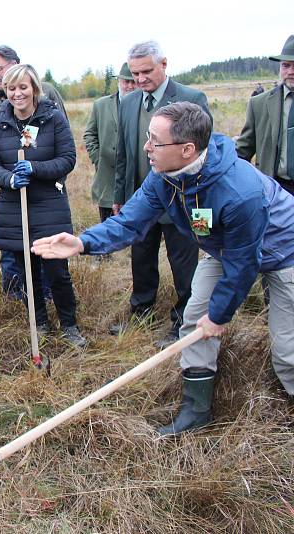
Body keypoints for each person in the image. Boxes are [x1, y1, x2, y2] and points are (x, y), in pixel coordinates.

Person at [33, 102, 294, 436]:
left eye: (155, 141)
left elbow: (244, 265)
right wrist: (83, 243)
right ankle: (196, 411)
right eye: (148, 137)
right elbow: (131, 220)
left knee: (286, 349)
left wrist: (220, 316)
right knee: (193, 320)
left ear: (187, 149)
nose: (146, 147)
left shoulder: (240, 192)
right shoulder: (165, 177)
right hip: (222, 247)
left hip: (282, 252)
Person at [112, 40, 210, 348]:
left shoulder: (190, 99)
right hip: (142, 201)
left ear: (164, 64)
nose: (140, 79)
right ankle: (141, 311)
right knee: (140, 258)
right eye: (135, 73)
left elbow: (204, 156)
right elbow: (124, 154)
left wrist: (202, 211)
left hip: (182, 202)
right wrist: (120, 196)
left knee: (184, 265)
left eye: (146, 72)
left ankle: (183, 321)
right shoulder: (128, 103)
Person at [0, 64, 85, 347]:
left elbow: (67, 159)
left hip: (48, 205)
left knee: (56, 271)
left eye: (23, 87)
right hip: (13, 208)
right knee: (26, 270)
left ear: (34, 88)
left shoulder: (52, 118)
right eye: (12, 88)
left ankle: (69, 325)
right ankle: (39, 321)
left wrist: (35, 168)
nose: (17, 94)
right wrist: (9, 179)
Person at [0, 45, 65, 302]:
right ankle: (17, 299)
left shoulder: (46, 91)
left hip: (45, 192)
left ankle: (49, 299)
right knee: (12, 250)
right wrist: (3, 182)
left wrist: (52, 181)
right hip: (11, 194)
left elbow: (62, 145)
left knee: (46, 252)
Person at [236, 35, 294, 196]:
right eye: (286, 66)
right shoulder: (259, 104)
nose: (290, 72)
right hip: (276, 190)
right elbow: (243, 150)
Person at [84, 63, 136, 224]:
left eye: (133, 81)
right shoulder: (101, 105)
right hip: (107, 179)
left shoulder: (145, 105)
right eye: (125, 81)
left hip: (136, 179)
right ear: (119, 81)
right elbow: (90, 134)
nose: (129, 86)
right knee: (108, 228)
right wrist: (99, 160)